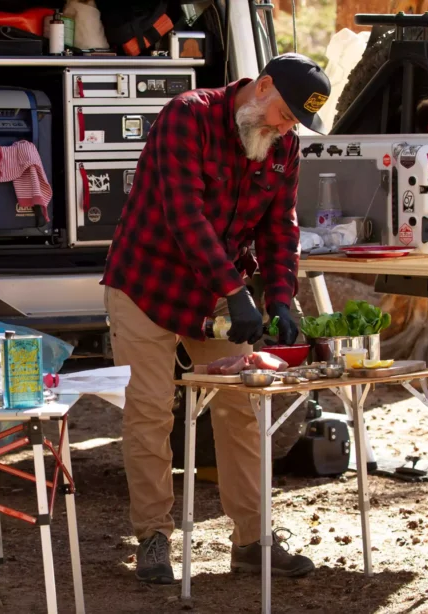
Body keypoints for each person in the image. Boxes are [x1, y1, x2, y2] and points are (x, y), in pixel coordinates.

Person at [100, 52, 331, 583]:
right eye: (285, 113)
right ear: (263, 87)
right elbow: (185, 213)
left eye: (296, 121)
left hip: (215, 290)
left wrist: (277, 297)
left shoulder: (284, 146)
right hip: (145, 283)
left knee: (242, 409)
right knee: (151, 412)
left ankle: (253, 541)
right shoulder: (186, 115)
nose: (286, 126)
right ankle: (153, 537)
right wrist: (236, 290)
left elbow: (281, 228)